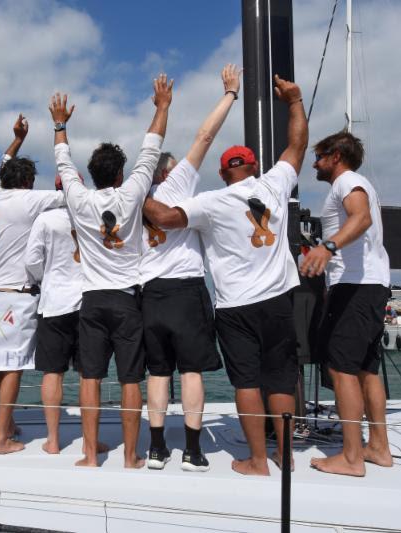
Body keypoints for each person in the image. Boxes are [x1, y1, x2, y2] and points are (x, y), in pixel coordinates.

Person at [143, 75, 308, 476]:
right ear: (253, 166)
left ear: (222, 173)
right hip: (279, 299)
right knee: (282, 381)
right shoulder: (275, 183)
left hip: (234, 305)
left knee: (247, 383)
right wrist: (295, 101)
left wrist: (134, 194)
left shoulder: (209, 202)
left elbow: (163, 217)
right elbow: (297, 145)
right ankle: (284, 460)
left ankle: (256, 461)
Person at [52, 74, 173, 468]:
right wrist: (162, 107)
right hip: (127, 300)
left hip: (91, 301)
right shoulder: (133, 192)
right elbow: (151, 149)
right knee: (129, 380)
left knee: (90, 378)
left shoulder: (79, 200)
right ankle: (131, 456)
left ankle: (89, 456)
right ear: (119, 175)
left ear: (96, 173)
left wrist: (59, 124)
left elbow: (62, 162)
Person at [140, 64, 240, 472]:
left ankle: (157, 448)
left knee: (158, 372)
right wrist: (230, 94)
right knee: (192, 369)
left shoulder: (133, 198)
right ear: (168, 170)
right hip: (185, 289)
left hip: (150, 293)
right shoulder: (175, 185)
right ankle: (194, 451)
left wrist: (159, 109)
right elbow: (205, 136)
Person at [300, 131, 392, 476]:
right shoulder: (358, 182)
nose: (315, 163)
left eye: (320, 156)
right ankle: (379, 447)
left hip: (355, 287)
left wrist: (328, 247)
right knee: (366, 369)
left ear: (336, 156)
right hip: (370, 285)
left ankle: (352, 457)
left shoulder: (347, 182)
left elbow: (361, 217)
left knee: (341, 369)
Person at [0, 119, 66, 454]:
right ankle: (0, 439)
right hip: (15, 296)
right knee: (14, 366)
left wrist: (16, 141)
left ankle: (7, 423)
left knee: (0, 365)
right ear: (29, 182)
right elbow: (71, 197)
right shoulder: (30, 200)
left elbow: (2, 165)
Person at [24, 175, 83, 455]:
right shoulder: (90, 214)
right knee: (89, 374)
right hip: (87, 299)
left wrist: (43, 277)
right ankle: (91, 440)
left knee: (53, 372)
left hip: (55, 301)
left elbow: (32, 261)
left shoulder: (45, 220)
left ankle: (53, 439)